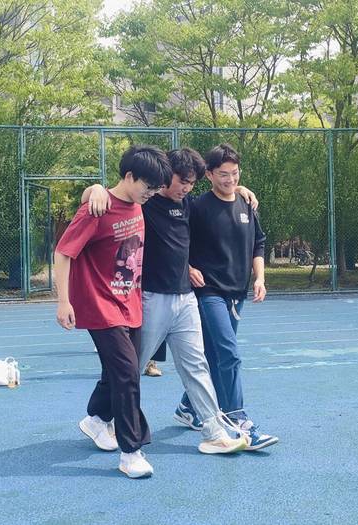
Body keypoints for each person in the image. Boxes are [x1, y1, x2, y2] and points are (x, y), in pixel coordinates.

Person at [83, 147, 257, 454]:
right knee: (130, 368)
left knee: (196, 364)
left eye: (191, 183)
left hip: (185, 299)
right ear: (166, 177)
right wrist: (94, 189)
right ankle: (98, 417)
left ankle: (214, 431)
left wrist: (240, 189)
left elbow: (219, 197)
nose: (186, 188)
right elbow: (112, 194)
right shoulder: (145, 203)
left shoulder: (188, 204)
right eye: (182, 181)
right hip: (152, 299)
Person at [54, 144, 172, 478]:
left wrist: (240, 190)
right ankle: (131, 451)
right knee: (126, 375)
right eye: (148, 186)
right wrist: (63, 301)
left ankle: (95, 419)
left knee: (119, 371)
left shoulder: (138, 204)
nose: (151, 193)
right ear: (130, 176)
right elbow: (63, 252)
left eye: (156, 189)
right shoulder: (97, 208)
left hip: (130, 305)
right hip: (100, 306)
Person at [183, 143, 278, 450]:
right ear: (209, 175)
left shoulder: (247, 203)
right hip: (208, 291)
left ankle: (187, 406)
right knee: (229, 353)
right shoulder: (197, 207)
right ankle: (238, 419)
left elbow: (258, 244)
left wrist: (260, 278)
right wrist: (188, 268)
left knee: (214, 356)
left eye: (235, 173)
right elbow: (177, 241)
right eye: (223, 174)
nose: (230, 179)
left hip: (237, 292)